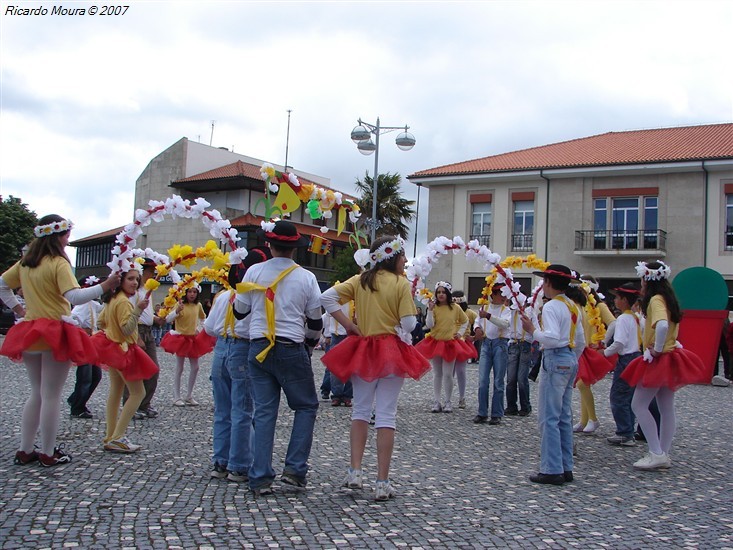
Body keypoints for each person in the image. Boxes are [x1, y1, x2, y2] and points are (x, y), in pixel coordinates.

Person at [0, 214, 120, 466]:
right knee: (51, 394)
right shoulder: (58, 263)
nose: (68, 240)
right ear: (58, 236)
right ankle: (47, 452)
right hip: (55, 330)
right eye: (66, 235)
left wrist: (19, 310)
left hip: (31, 330)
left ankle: (25, 450)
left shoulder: (26, 263)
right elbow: (74, 296)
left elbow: (2, 285)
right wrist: (105, 285)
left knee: (37, 393)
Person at [321, 236, 430, 501]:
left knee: (360, 410)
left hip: (364, 350)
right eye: (403, 255)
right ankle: (382, 481)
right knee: (386, 415)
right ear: (393, 257)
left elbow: (326, 298)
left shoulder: (361, 280)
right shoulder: (400, 284)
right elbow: (407, 325)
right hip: (391, 352)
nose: (405, 260)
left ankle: (355, 471)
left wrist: (349, 325)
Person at [234, 220, 323, 496]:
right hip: (291, 346)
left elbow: (239, 311)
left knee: (264, 412)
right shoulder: (306, 277)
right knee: (305, 406)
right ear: (294, 249)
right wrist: (308, 345)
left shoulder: (253, 272)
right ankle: (295, 470)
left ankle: (260, 476)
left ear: (269, 245)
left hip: (258, 347)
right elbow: (316, 322)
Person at [621, 260, 708, 470]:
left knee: (638, 405)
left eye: (642, 278)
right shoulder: (668, 299)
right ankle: (663, 452)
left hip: (659, 358)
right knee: (666, 407)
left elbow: (661, 325)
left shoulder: (655, 301)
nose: (640, 283)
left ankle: (656, 452)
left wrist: (657, 348)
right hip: (671, 355)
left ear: (648, 279)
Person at [205, 246, 271, 483]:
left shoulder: (223, 296)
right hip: (243, 347)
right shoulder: (257, 298)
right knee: (243, 409)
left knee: (222, 410)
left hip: (221, 348)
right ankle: (239, 465)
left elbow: (209, 328)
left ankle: (220, 462)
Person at [520, 264, 585, 485]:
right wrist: (573, 357)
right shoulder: (572, 306)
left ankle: (551, 468)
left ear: (547, 283)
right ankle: (566, 466)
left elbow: (553, 337)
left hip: (556, 357)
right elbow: (581, 341)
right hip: (569, 358)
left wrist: (532, 331)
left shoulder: (551, 307)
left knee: (549, 416)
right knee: (564, 416)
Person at [92, 267, 159, 452]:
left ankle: (110, 435)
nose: (135, 282)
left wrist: (111, 332)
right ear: (120, 280)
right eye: (130, 278)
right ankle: (118, 436)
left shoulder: (112, 300)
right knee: (138, 393)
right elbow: (127, 329)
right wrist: (138, 310)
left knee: (115, 391)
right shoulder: (124, 302)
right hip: (124, 349)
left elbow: (100, 322)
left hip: (113, 348)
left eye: (137, 279)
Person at [416, 281, 475, 413]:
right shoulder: (433, 308)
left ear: (448, 294)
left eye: (443, 292)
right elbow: (430, 325)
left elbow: (465, 321)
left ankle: (448, 401)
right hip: (436, 342)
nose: (441, 294)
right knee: (437, 374)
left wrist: (459, 333)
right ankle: (437, 401)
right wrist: (430, 310)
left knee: (448, 374)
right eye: (439, 292)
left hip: (450, 343)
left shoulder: (455, 308)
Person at [570, 275, 616, 434]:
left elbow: (613, 323)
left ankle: (593, 419)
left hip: (593, 350)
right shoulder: (581, 306)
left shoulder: (599, 306)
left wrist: (603, 341)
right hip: (582, 349)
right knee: (583, 384)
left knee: (583, 383)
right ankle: (584, 420)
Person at [161, 284, 215, 406]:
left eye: (194, 292)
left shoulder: (198, 305)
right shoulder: (180, 305)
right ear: (186, 293)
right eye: (190, 292)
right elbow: (168, 319)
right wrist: (176, 311)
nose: (192, 294)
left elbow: (203, 317)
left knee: (195, 367)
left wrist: (199, 328)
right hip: (181, 338)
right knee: (179, 368)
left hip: (193, 338)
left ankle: (189, 395)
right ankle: (176, 396)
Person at [603, 283, 643, 446]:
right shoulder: (635, 317)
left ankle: (624, 432)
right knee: (629, 396)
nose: (615, 300)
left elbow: (619, 342)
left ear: (625, 300)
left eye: (618, 297)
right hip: (636, 356)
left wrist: (605, 353)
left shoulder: (623, 319)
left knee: (618, 395)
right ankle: (629, 429)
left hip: (626, 358)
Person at [124, 258, 164, 419]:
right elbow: (131, 315)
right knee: (134, 371)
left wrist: (156, 319)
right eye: (150, 272)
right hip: (137, 331)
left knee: (153, 369)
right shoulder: (133, 292)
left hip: (148, 331)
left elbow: (146, 315)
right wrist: (136, 337)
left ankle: (144, 403)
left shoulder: (147, 291)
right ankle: (130, 406)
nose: (153, 276)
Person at [472, 285, 511, 424]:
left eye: (505, 294)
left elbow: (505, 324)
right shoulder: (485, 308)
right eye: (501, 293)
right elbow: (477, 321)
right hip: (487, 343)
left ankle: (496, 413)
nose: (503, 296)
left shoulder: (506, 310)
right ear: (493, 294)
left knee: (499, 381)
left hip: (500, 344)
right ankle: (482, 412)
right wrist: (477, 328)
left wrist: (488, 316)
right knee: (483, 380)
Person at [67, 276, 105, 419]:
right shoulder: (81, 305)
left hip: (91, 343)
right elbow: (73, 318)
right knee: (86, 376)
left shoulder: (91, 303)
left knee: (95, 375)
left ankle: (76, 399)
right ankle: (77, 407)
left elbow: (102, 307)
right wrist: (83, 330)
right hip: (84, 343)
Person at [505, 294, 535, 417]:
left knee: (522, 378)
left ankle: (525, 406)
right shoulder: (510, 313)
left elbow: (534, 327)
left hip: (525, 345)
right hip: (513, 344)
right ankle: (511, 406)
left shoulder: (530, 312)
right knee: (511, 378)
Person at [323, 299, 355, 407]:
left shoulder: (356, 298)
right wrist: (327, 334)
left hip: (352, 335)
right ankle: (336, 395)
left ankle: (347, 396)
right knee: (334, 367)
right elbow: (327, 316)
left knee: (351, 367)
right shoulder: (334, 298)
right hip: (336, 335)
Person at [451, 290, 476, 409]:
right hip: (449, 342)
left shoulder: (469, 313)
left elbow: (479, 323)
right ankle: (448, 397)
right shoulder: (450, 311)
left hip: (463, 343)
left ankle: (462, 397)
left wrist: (475, 336)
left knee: (461, 371)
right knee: (449, 372)